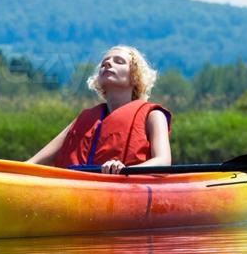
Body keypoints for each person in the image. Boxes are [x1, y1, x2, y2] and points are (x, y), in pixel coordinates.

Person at [26, 46, 173, 173]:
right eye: (104, 63)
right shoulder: (82, 121)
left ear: (135, 76)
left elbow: (163, 160)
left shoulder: (153, 116)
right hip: (76, 192)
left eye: (119, 61)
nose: (108, 63)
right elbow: (34, 162)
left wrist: (125, 170)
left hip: (127, 189)